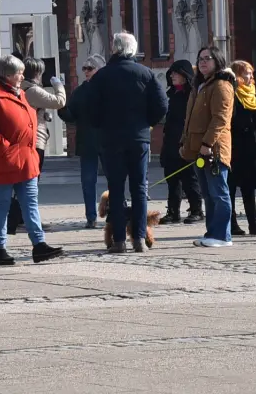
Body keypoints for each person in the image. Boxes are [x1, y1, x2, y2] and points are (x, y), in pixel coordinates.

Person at [0, 53, 65, 265]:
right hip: (4, 161)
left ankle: (39, 245)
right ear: (7, 75)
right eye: (19, 73)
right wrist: (5, 150)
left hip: (26, 158)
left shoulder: (18, 91)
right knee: (2, 205)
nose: (23, 76)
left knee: (30, 203)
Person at [86, 31, 167, 254]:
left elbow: (90, 108)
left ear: (114, 48)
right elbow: (161, 105)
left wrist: (100, 126)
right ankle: (139, 239)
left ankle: (119, 240)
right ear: (133, 50)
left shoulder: (101, 76)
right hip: (138, 137)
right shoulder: (145, 73)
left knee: (116, 188)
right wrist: (146, 123)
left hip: (111, 138)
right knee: (139, 188)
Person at [182, 46, 237, 248]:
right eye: (201, 58)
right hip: (198, 148)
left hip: (214, 149)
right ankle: (212, 233)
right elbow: (190, 119)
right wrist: (185, 142)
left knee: (219, 192)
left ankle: (223, 235)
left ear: (217, 61)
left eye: (208, 58)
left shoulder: (221, 85)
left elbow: (220, 119)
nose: (203, 62)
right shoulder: (200, 85)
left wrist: (207, 143)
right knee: (207, 194)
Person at [59, 56, 105, 231]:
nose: (86, 71)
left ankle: (117, 212)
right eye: (84, 68)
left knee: (115, 179)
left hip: (108, 140)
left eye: (90, 68)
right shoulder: (80, 91)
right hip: (87, 141)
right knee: (88, 181)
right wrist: (61, 108)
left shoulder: (108, 88)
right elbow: (71, 115)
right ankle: (91, 217)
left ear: (100, 69)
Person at [158, 60, 203, 225]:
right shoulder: (171, 94)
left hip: (186, 140)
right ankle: (173, 211)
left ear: (185, 75)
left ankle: (196, 209)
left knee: (189, 177)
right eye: (171, 73)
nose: (172, 76)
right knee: (172, 177)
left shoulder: (192, 94)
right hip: (170, 140)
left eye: (176, 73)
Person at [227, 60, 256, 236]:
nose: (249, 77)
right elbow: (231, 119)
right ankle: (232, 223)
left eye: (250, 73)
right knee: (231, 187)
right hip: (235, 145)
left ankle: (254, 223)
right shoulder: (232, 93)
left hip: (251, 145)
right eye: (245, 74)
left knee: (249, 187)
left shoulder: (252, 94)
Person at [20, 58, 67, 173]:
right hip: (35, 140)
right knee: (33, 179)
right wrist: (58, 85)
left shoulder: (21, 88)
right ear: (37, 73)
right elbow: (60, 101)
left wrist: (42, 112)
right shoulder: (33, 91)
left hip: (26, 138)